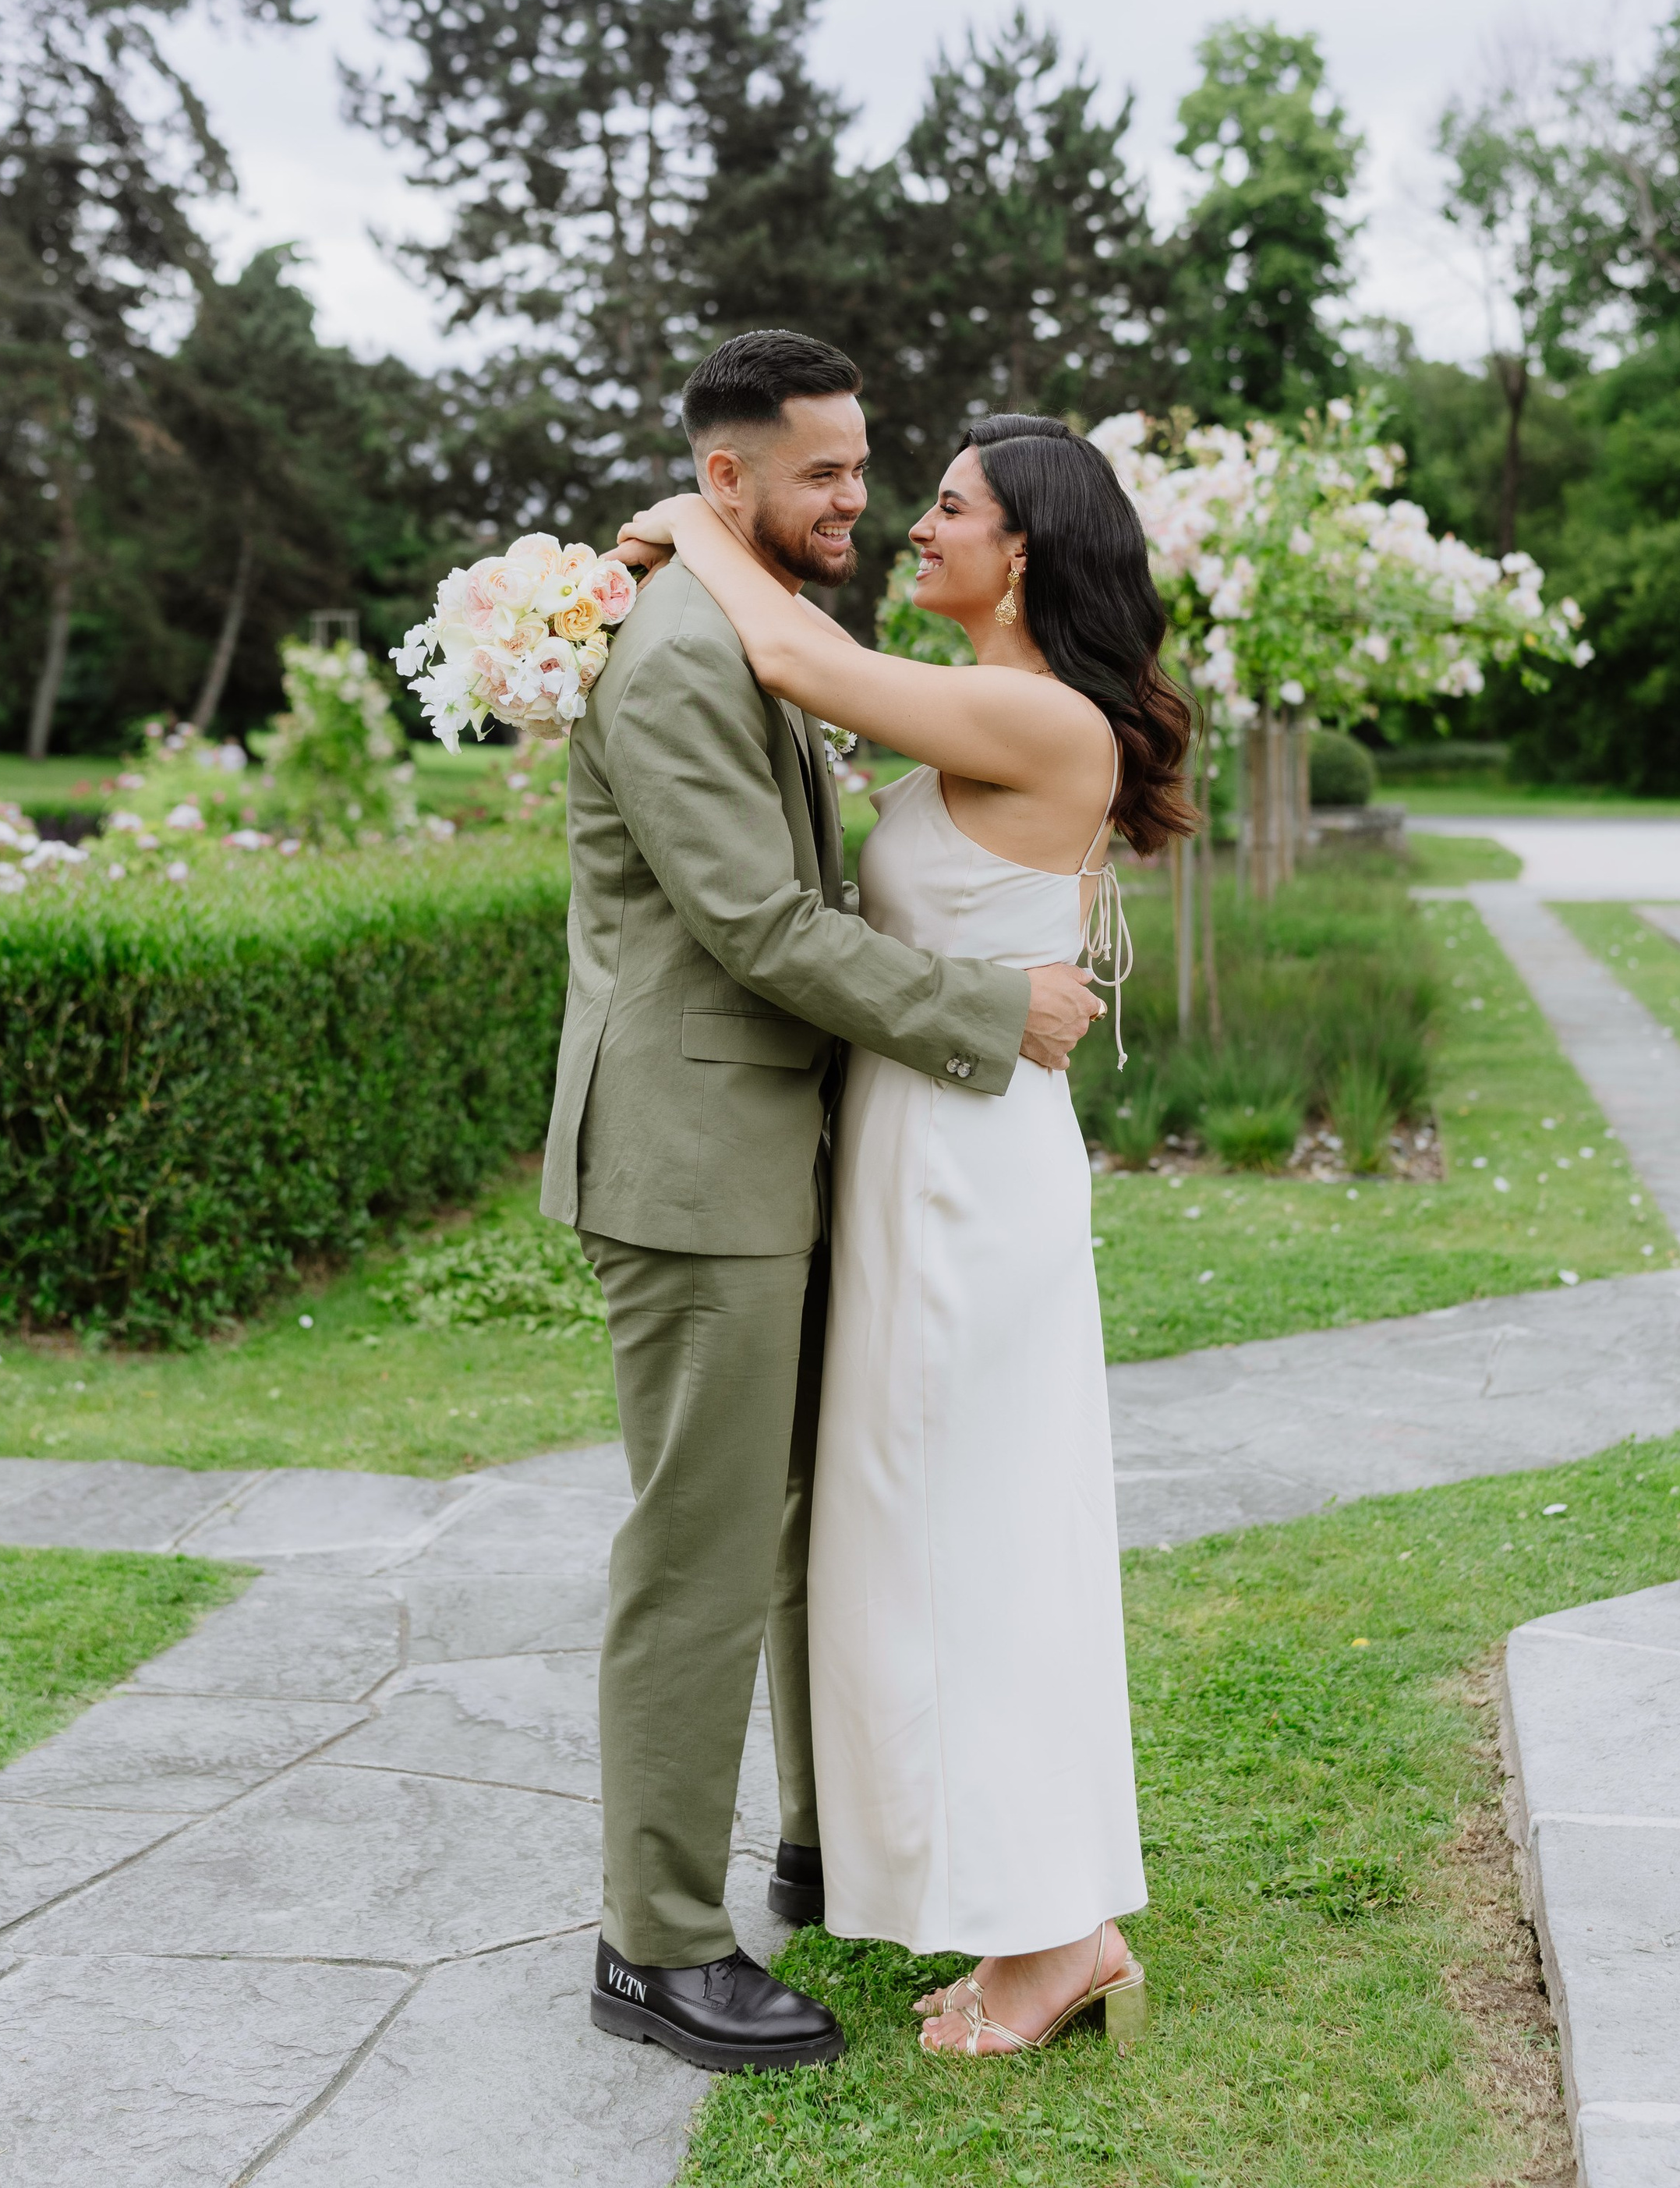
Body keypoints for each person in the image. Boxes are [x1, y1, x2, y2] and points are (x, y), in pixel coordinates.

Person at [543, 332, 1105, 2076]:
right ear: (729, 481)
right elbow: (753, 927)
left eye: (876, 469)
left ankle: (822, 1843)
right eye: (825, 474)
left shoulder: (752, 626)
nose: (859, 498)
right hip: (694, 1165)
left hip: (798, 1157)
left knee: (806, 1526)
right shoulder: (675, 656)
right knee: (702, 1553)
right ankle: (653, 1940)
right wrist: (984, 1013)